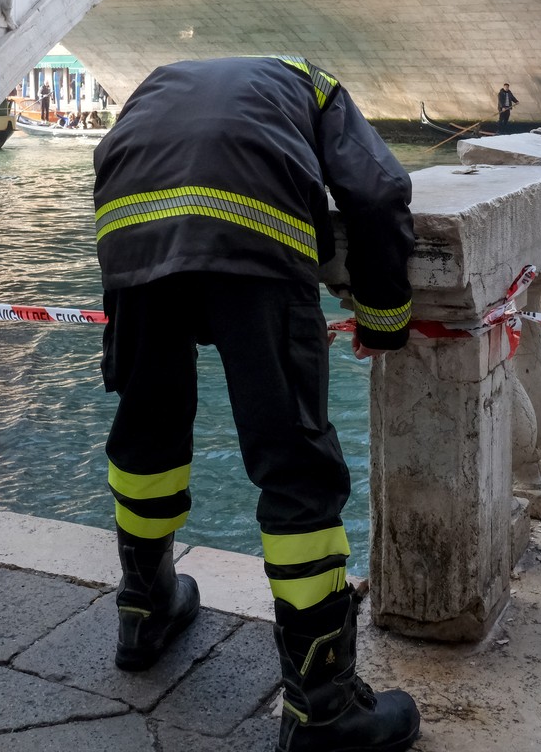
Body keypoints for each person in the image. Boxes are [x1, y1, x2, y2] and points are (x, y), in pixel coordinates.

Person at [93, 55, 422, 752]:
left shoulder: (160, 79)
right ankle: (323, 707)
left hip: (131, 232)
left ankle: (143, 609)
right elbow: (380, 190)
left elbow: (114, 154)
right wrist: (383, 317)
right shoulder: (317, 82)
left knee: (146, 432)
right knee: (294, 463)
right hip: (254, 238)